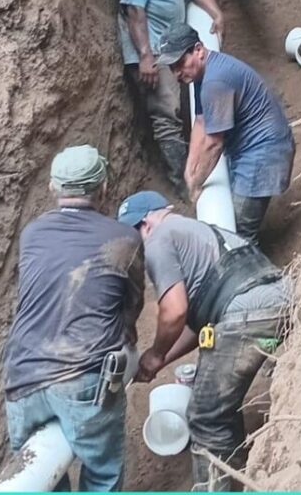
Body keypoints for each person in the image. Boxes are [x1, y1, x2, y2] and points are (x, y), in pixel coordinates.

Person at [117, 191, 291, 491]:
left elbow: (174, 311)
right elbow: (200, 324)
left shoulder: (159, 238)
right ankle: (240, 473)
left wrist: (156, 353)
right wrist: (160, 359)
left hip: (245, 317)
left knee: (205, 418)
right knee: (220, 407)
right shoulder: (202, 231)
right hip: (279, 304)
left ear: (145, 223)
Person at [1, 145, 144, 491]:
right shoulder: (124, 238)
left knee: (41, 478)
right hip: (83, 377)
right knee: (103, 472)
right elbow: (132, 304)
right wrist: (127, 341)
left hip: (20, 375)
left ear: (54, 188)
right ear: (104, 188)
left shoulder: (31, 234)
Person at [117, 0, 225, 194]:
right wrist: (145, 58)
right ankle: (182, 184)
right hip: (150, 50)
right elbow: (134, 11)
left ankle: (192, 166)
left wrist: (216, 13)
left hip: (172, 45)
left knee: (183, 106)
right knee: (167, 112)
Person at [156, 23, 295, 242]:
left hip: (264, 154)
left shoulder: (215, 82)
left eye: (179, 63)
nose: (176, 73)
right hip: (251, 148)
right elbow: (200, 122)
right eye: (171, 67)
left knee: (237, 234)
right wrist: (189, 172)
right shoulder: (199, 75)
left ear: (199, 50)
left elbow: (213, 144)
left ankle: (253, 273)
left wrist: (196, 183)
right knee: (233, 218)